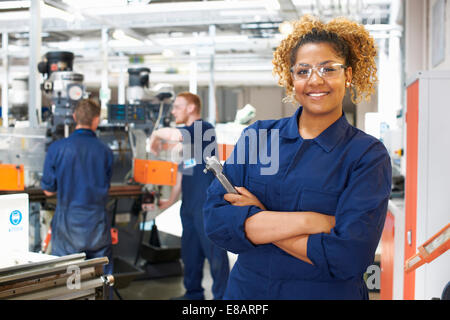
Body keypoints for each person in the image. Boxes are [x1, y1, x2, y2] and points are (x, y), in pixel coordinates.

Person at [203, 15, 392, 300]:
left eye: (328, 69)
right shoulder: (258, 137)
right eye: (303, 71)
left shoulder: (366, 155)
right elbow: (216, 223)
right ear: (292, 78)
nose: (315, 80)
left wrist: (260, 219)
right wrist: (311, 222)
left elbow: (348, 257)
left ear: (349, 75)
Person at [148, 92, 230, 300]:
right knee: (190, 254)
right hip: (189, 207)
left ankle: (224, 298)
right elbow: (183, 172)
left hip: (207, 205)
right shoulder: (188, 143)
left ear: (191, 108)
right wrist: (170, 200)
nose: (173, 111)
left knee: (215, 255)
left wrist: (156, 134)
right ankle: (193, 295)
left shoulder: (203, 129)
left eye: (177, 107)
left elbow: (176, 135)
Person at [41, 99, 114, 275]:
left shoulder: (57, 148)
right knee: (100, 278)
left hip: (67, 225)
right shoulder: (106, 151)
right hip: (97, 224)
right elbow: (106, 183)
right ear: (97, 120)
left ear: (74, 117)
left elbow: (48, 190)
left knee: (67, 279)